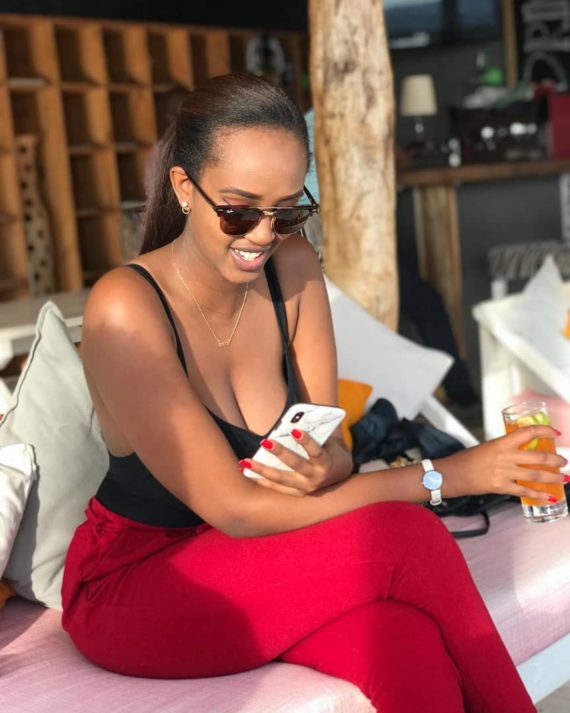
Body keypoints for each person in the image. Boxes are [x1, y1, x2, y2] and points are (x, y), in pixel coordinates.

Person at [62, 73, 563, 713]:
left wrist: (327, 465)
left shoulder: (292, 271)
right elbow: (237, 510)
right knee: (405, 536)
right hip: (142, 580)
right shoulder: (126, 309)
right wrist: (449, 475)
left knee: (400, 640)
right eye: (239, 210)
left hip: (262, 554)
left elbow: (336, 451)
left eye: (287, 211)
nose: (262, 235)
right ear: (184, 188)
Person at [304, 108, 480, 409]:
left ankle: (438, 394)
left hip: (323, 243)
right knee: (426, 304)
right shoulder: (353, 113)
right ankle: (460, 393)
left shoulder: (305, 123)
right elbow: (399, 160)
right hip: (350, 242)